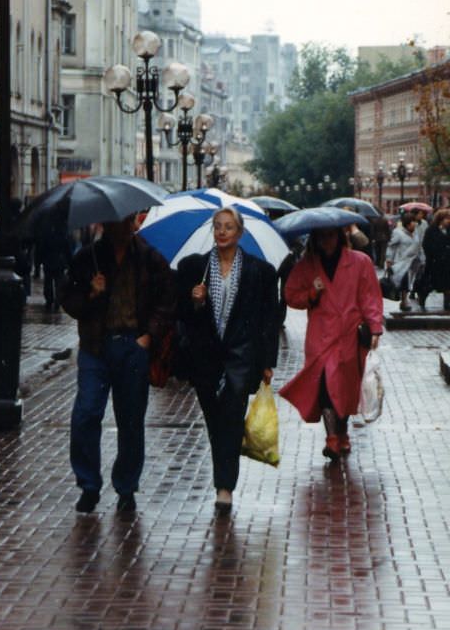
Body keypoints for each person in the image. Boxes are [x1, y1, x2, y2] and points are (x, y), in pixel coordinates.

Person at [59, 213, 175, 514]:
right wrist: (91, 293)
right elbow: (69, 300)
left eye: (127, 221)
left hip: (132, 347)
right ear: (106, 224)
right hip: (95, 347)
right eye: (116, 221)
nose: (122, 226)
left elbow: (167, 301)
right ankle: (88, 485)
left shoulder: (149, 258)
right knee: (86, 413)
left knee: (131, 420)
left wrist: (148, 336)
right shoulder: (88, 257)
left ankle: (126, 487)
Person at [176, 207, 279, 514]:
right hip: (206, 357)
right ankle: (223, 477)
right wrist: (195, 303)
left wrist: (267, 361)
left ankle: (225, 487)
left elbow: (269, 319)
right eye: (218, 226)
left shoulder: (259, 271)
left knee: (232, 419)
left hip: (241, 357)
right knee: (214, 421)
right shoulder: (193, 268)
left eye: (229, 227)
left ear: (240, 232)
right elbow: (180, 315)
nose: (222, 232)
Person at [280, 227, 383, 460]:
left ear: (339, 236)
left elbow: (370, 297)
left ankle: (342, 432)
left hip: (350, 335)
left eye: (330, 235)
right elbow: (290, 295)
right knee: (326, 384)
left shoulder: (360, 262)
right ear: (314, 239)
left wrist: (375, 327)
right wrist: (311, 293)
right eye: (321, 236)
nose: (326, 241)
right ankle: (332, 438)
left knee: (345, 388)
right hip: (321, 336)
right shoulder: (307, 266)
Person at [385, 212, 424, 312]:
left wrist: (423, 259)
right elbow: (391, 246)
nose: (414, 224)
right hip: (401, 262)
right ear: (407, 223)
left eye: (415, 221)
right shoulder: (398, 233)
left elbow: (419, 246)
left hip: (414, 262)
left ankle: (406, 299)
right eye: (412, 222)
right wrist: (389, 259)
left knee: (411, 280)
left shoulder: (416, 233)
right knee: (404, 281)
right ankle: (404, 301)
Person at [418, 209, 450, 311]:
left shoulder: (449, 230)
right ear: (440, 219)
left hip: (447, 262)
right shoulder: (431, 230)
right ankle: (422, 298)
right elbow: (426, 244)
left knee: (447, 284)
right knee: (430, 283)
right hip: (434, 262)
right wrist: (433, 254)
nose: (448, 221)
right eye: (447, 219)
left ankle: (447, 303)